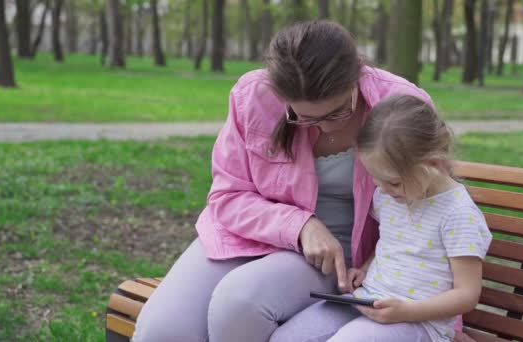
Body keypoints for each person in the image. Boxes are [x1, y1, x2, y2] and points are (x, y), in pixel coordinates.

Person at [132, 20, 462, 342]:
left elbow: (430, 200)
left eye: (336, 113)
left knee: (240, 301)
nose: (324, 128)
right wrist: (301, 226)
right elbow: (227, 196)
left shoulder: (399, 104)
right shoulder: (252, 96)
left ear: (355, 80)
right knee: (161, 332)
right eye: (303, 117)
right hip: (245, 237)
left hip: (337, 260)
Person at [270, 95, 493, 341]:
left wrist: (407, 312)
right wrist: (366, 268)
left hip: (420, 323)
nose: (382, 189)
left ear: (434, 164)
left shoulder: (458, 215)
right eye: (375, 178)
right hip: (368, 298)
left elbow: (467, 294)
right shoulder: (392, 196)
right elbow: (393, 242)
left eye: (393, 181)